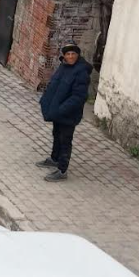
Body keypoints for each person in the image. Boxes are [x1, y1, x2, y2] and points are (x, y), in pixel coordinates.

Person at [37, 42, 93, 182]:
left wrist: (61, 109)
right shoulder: (63, 67)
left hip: (68, 114)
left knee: (65, 140)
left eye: (73, 54)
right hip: (57, 111)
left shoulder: (81, 72)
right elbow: (54, 84)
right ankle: (54, 158)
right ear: (64, 56)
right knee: (56, 134)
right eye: (68, 54)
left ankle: (62, 170)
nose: (71, 56)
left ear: (78, 55)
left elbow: (79, 97)